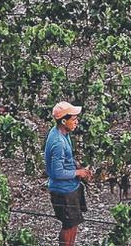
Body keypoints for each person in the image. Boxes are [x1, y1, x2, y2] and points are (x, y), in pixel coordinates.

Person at [45, 101, 93, 246]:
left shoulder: (62, 133)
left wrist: (77, 166)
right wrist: (78, 172)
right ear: (64, 121)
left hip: (70, 187)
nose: (76, 122)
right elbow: (57, 173)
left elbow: (66, 160)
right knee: (68, 225)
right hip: (63, 191)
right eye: (74, 119)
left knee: (74, 222)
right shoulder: (58, 142)